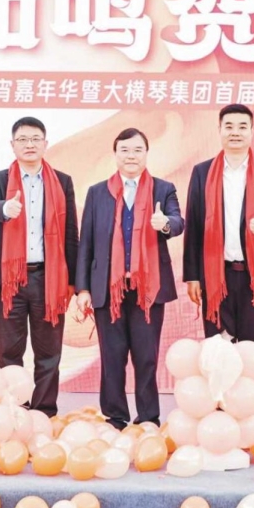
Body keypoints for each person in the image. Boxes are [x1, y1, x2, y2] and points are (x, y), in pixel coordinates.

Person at [183, 103, 254, 404]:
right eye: (229, 126)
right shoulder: (202, 172)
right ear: (219, 130)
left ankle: (253, 413)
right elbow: (194, 223)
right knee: (218, 351)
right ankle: (220, 413)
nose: (235, 132)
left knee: (253, 351)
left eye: (242, 126)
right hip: (214, 278)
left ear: (252, 131)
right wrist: (192, 276)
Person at [76, 128, 184, 430]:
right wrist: (83, 288)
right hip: (107, 288)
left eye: (137, 150)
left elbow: (178, 222)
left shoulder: (163, 189)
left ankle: (148, 417)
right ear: (115, 154)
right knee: (112, 357)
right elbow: (86, 243)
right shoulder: (97, 192)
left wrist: (165, 224)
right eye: (125, 150)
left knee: (146, 357)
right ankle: (115, 417)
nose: (131, 156)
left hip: (148, 289)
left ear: (146, 153)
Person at [0, 116, 78, 417]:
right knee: (9, 352)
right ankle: (14, 411)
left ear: (45, 144)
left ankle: (44, 412)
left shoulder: (62, 181)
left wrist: (73, 282)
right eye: (22, 139)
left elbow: (70, 234)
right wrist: (4, 208)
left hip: (49, 279)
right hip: (9, 280)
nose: (29, 144)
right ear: (12, 145)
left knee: (49, 354)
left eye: (35, 139)